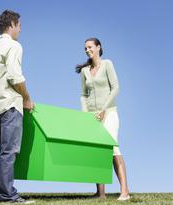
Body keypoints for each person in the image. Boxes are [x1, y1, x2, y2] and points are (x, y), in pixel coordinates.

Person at [0, 10, 35, 203]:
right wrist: (27, 98)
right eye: (19, 25)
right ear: (12, 25)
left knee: (4, 151)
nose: (20, 29)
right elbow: (15, 76)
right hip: (11, 105)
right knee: (10, 151)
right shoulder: (14, 46)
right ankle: (7, 194)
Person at [76, 38, 130, 201]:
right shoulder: (85, 71)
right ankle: (101, 193)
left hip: (109, 113)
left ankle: (125, 191)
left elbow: (115, 88)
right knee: (97, 151)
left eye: (90, 47)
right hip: (92, 116)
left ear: (98, 47)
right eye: (85, 48)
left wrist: (103, 110)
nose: (87, 50)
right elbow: (83, 95)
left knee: (113, 148)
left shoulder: (107, 64)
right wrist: (86, 115)